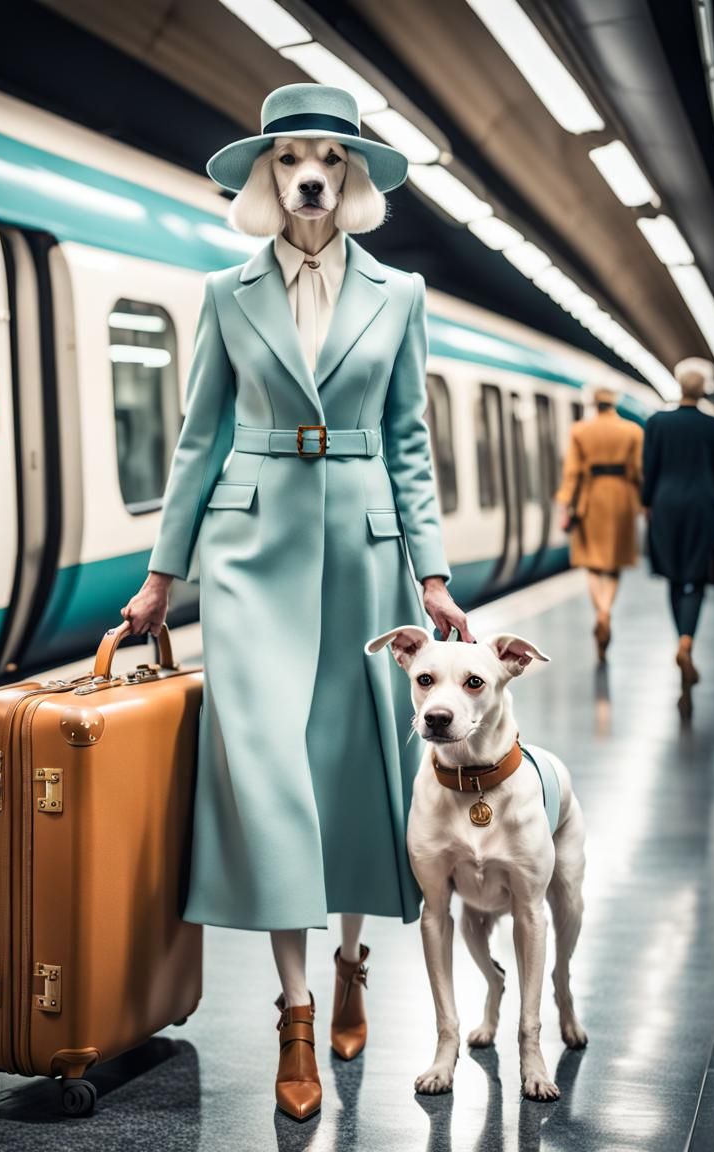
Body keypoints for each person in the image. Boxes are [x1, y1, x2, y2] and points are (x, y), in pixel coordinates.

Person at [121, 83, 471, 1122]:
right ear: (265, 179)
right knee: (268, 767)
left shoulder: (399, 293)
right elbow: (195, 439)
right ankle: (293, 1007)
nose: (308, 173)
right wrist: (158, 578)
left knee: (352, 761)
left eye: (326, 157)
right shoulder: (224, 293)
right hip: (248, 546)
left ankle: (355, 960)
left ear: (350, 176)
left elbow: (409, 440)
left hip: (363, 541)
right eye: (288, 158)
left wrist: (433, 575)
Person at [642, 357, 714, 716]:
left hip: (666, 507)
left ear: (678, 385)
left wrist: (648, 504)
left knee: (675, 578)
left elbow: (650, 467)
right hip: (703, 506)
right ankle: (686, 640)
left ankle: (682, 640)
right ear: (704, 388)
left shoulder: (658, 422)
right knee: (696, 576)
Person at [555, 386, 643, 662]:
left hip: (591, 499)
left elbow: (572, 473)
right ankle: (607, 610)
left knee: (593, 563)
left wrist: (564, 504)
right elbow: (637, 471)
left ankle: (600, 613)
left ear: (593, 403)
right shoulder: (633, 431)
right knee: (614, 564)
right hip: (621, 498)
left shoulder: (580, 431)